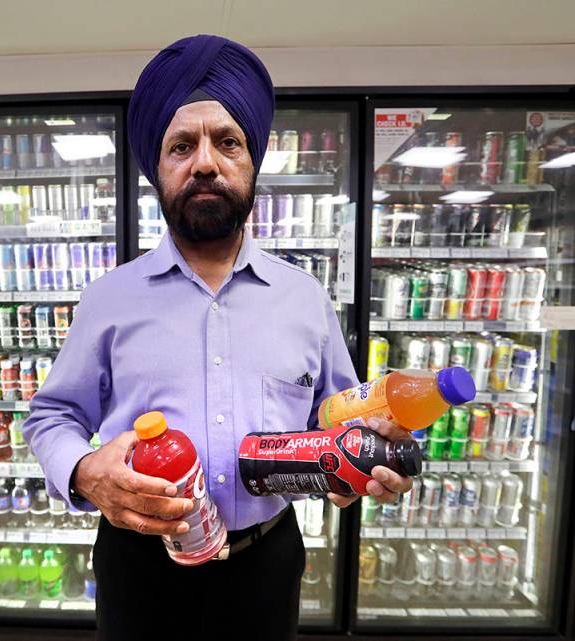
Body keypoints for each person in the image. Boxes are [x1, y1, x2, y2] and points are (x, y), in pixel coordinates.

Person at [23, 34, 414, 641]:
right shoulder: (109, 299)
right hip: (139, 566)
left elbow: (341, 421)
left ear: (252, 162)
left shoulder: (304, 298)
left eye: (227, 142)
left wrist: (370, 461)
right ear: (158, 169)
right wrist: (82, 471)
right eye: (182, 145)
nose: (205, 161)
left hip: (265, 563)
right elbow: (52, 415)